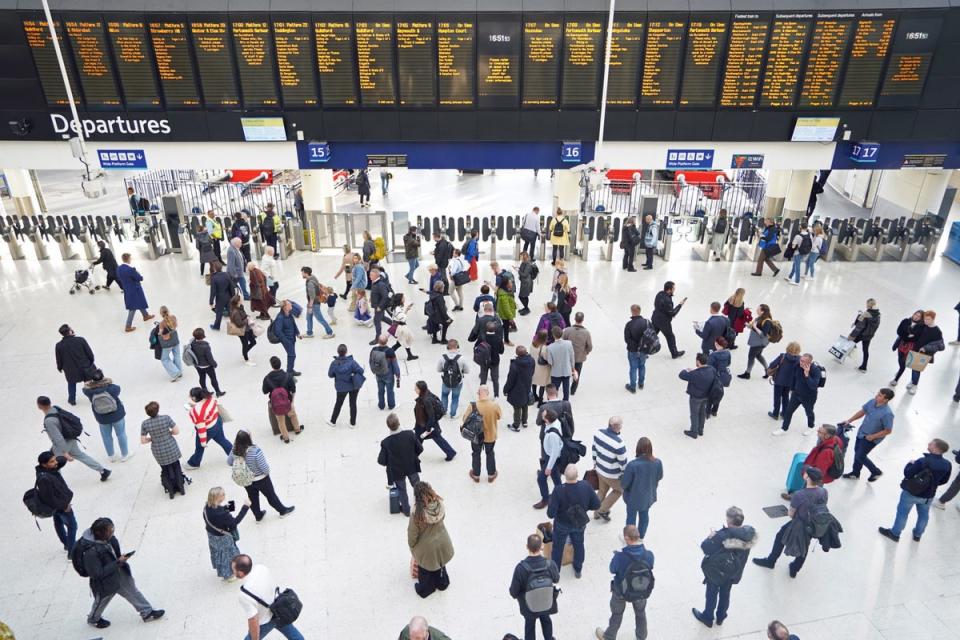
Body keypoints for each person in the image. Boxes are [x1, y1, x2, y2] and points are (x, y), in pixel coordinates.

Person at [80, 517, 164, 629]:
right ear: (99, 533)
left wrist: (119, 561)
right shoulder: (90, 553)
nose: (112, 532)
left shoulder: (108, 539)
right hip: (106, 582)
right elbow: (97, 574)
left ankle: (147, 612)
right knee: (102, 600)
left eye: (112, 529)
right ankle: (93, 619)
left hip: (118, 571)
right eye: (109, 531)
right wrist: (117, 562)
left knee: (132, 590)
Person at [752, 467, 826, 577]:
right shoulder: (823, 491)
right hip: (813, 524)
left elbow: (791, 514)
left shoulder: (799, 495)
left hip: (798, 523)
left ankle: (771, 561)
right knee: (804, 545)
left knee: (780, 537)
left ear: (807, 478)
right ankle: (795, 568)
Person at [692, 506, 757, 628]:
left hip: (718, 571)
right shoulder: (748, 533)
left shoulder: (723, 535)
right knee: (725, 593)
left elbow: (705, 547)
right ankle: (721, 617)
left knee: (712, 592)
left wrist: (711, 536)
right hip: (734, 571)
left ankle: (708, 617)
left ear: (728, 520)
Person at [878, 438, 952, 543]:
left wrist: (910, 464)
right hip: (928, 496)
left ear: (936, 449)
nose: (928, 444)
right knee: (923, 515)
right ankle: (917, 535)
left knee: (902, 514)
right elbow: (944, 480)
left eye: (931, 444)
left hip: (911, 493)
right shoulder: (947, 464)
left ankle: (895, 534)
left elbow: (908, 473)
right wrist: (932, 484)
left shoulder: (922, 461)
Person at [595, 525, 654, 640]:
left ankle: (609, 637)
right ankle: (641, 637)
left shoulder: (620, 557)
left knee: (617, 614)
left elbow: (612, 569)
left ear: (627, 538)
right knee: (641, 613)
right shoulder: (649, 554)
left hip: (620, 591)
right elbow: (650, 566)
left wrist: (616, 556)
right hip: (641, 590)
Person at [231, 555, 304, 640]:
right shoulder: (261, 568)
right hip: (280, 609)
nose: (232, 572)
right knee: (293, 634)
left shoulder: (244, 594)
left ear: (240, 573)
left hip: (267, 620)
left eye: (233, 570)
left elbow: (253, 620)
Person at [38, 396, 110, 481]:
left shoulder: (49, 421)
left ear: (39, 406)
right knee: (81, 456)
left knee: (53, 463)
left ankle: (59, 485)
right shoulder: (56, 408)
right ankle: (103, 471)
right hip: (71, 438)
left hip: (62, 445)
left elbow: (58, 437)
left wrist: (65, 452)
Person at [547, 465, 601, 578]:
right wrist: (584, 508)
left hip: (561, 524)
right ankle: (578, 569)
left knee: (557, 547)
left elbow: (550, 514)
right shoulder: (586, 486)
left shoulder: (558, 490)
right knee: (579, 545)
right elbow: (597, 504)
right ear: (577, 475)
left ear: (564, 476)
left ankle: (555, 572)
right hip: (579, 522)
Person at [228, 430, 295, 521]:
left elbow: (229, 462)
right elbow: (265, 469)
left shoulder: (234, 450)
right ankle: (283, 511)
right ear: (248, 439)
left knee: (253, 498)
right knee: (271, 496)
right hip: (261, 479)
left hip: (247, 480)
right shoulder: (256, 451)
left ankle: (258, 516)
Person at [509, 533, 560, 640]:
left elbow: (513, 592)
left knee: (529, 625)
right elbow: (556, 579)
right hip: (546, 603)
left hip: (529, 606)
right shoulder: (550, 564)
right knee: (546, 620)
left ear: (527, 547)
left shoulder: (520, 569)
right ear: (541, 547)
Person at [408, 482, 455, 598]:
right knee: (440, 563)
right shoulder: (439, 504)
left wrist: (413, 547)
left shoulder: (417, 513)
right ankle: (442, 583)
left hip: (427, 549)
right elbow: (443, 518)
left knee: (425, 568)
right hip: (443, 542)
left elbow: (412, 534)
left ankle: (426, 589)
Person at [841, 388, 895, 482]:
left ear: (886, 400)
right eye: (878, 393)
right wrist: (849, 420)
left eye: (880, 395)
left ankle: (876, 471)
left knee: (860, 456)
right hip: (862, 433)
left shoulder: (887, 414)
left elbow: (888, 430)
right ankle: (855, 473)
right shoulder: (872, 402)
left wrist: (873, 437)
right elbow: (862, 412)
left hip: (871, 438)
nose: (876, 395)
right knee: (857, 452)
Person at [379, 413, 423, 516]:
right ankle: (422, 507)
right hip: (412, 466)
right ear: (399, 423)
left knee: (402, 490)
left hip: (397, 471)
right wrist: (412, 456)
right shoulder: (410, 434)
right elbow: (420, 448)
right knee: (417, 486)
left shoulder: (386, 442)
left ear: (388, 426)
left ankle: (406, 510)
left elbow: (381, 461)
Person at [782, 424, 842, 500]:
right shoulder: (835, 440)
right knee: (809, 489)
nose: (817, 431)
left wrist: (809, 476)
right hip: (820, 471)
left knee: (809, 490)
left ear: (827, 436)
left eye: (820, 431)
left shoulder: (826, 453)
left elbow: (819, 473)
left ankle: (798, 501)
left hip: (817, 475)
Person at [81, 369, 129, 462]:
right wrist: (108, 381)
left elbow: (84, 388)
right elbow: (118, 388)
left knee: (106, 436)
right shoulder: (111, 388)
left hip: (102, 417)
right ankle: (125, 454)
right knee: (121, 434)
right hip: (117, 415)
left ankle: (111, 456)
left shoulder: (89, 391)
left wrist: (89, 383)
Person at [35, 451, 77, 554]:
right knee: (72, 526)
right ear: (44, 464)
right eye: (52, 461)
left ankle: (67, 544)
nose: (56, 463)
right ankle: (72, 552)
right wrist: (64, 506)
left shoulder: (50, 469)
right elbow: (49, 498)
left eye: (55, 460)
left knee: (58, 523)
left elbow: (62, 461)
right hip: (61, 505)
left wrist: (60, 458)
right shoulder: (44, 478)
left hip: (58, 505)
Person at [140, 402, 184, 498]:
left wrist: (152, 438)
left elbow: (143, 440)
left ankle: (171, 491)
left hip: (158, 450)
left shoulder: (145, 423)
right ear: (158, 409)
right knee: (177, 466)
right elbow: (176, 431)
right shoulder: (166, 418)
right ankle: (181, 488)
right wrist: (168, 433)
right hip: (171, 446)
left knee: (165, 469)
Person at [204, 486, 249, 581]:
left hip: (212, 536)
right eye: (223, 494)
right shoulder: (221, 514)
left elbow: (216, 516)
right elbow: (234, 522)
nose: (225, 495)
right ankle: (229, 575)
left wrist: (228, 507)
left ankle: (223, 571)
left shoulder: (206, 507)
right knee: (229, 556)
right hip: (222, 538)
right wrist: (245, 507)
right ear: (217, 497)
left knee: (219, 554)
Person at [621, 437, 663, 536]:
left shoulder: (632, 465)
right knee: (644, 516)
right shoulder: (658, 462)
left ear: (638, 448)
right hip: (648, 496)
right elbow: (660, 476)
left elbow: (624, 484)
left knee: (631, 517)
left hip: (632, 498)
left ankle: (630, 537)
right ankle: (641, 536)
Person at [185, 387, 233, 469]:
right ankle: (235, 457)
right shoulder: (209, 397)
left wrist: (203, 442)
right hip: (217, 421)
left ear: (194, 398)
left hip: (208, 429)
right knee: (222, 440)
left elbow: (201, 428)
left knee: (199, 447)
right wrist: (196, 405)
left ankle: (194, 463)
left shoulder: (196, 411)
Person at [775, 353, 821, 436]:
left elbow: (813, 385)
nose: (801, 362)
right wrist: (792, 389)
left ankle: (811, 426)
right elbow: (794, 378)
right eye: (801, 360)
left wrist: (807, 375)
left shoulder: (815, 370)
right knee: (788, 411)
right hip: (796, 394)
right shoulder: (798, 366)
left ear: (809, 363)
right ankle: (784, 428)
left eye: (803, 361)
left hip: (809, 397)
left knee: (809, 412)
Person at [592, 417, 628, 522]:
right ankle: (602, 510)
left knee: (602, 491)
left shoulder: (598, 433)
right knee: (619, 490)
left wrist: (595, 463)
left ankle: (595, 513)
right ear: (619, 427)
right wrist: (624, 475)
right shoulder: (619, 444)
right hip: (612, 474)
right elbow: (623, 463)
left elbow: (594, 449)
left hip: (599, 469)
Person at [261, 356, 303, 443]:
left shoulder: (267, 378)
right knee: (293, 415)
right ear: (280, 364)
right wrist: (292, 402)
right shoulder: (287, 375)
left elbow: (264, 391)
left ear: (272, 366)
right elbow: (293, 389)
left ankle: (286, 438)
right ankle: (297, 429)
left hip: (276, 404)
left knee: (281, 421)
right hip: (288, 401)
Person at [904, 310, 945, 394]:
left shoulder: (937, 331)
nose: (926, 321)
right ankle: (912, 381)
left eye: (928, 319)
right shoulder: (923, 325)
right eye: (925, 319)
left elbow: (941, 346)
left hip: (924, 354)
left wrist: (926, 348)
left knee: (916, 369)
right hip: (916, 349)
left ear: (933, 319)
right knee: (913, 367)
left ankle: (915, 385)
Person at [414, 380, 457, 460]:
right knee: (419, 438)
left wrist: (428, 428)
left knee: (437, 438)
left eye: (416, 388)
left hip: (427, 425)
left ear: (421, 389)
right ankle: (414, 453)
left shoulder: (426, 400)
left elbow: (431, 416)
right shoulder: (426, 394)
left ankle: (450, 452)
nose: (414, 389)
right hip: (422, 423)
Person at [679, 353, 719, 439]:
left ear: (698, 361)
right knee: (702, 413)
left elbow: (681, 375)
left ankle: (694, 432)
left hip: (696, 397)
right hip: (706, 396)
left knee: (694, 414)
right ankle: (700, 430)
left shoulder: (695, 374)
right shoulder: (712, 369)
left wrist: (686, 369)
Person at [466, 385, 502, 482]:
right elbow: (499, 416)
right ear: (488, 393)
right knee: (490, 453)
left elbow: (464, 419)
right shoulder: (494, 405)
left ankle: (476, 475)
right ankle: (491, 475)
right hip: (490, 435)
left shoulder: (472, 406)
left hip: (476, 436)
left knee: (476, 453)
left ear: (478, 393)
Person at [55, 324, 95, 406]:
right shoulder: (80, 340)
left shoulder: (59, 345)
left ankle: (72, 400)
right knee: (88, 383)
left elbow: (59, 359)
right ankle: (92, 398)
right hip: (84, 367)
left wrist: (59, 367)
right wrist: (91, 362)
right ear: (70, 331)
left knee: (71, 383)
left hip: (70, 370)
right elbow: (89, 353)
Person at [327, 343, 365, 428]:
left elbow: (330, 375)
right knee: (353, 403)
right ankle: (352, 423)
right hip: (353, 386)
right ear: (346, 352)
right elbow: (361, 371)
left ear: (338, 352)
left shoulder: (334, 363)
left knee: (338, 403)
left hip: (341, 387)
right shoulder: (352, 362)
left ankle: (333, 421)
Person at [533, 409, 563, 509]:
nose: (542, 414)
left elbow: (555, 453)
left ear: (547, 420)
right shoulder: (555, 422)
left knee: (541, 478)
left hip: (551, 458)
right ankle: (561, 494)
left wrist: (549, 467)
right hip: (549, 456)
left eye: (544, 415)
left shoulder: (553, 435)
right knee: (556, 477)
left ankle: (545, 499)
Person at [116, 253, 154, 332]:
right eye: (130, 258)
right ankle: (128, 326)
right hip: (135, 289)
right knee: (132, 308)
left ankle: (145, 315)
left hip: (127, 289)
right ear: (128, 259)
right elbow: (139, 278)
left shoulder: (119, 268)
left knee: (138, 302)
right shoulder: (131, 270)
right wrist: (138, 274)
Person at [738, 303, 775, 379]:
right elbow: (753, 328)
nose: (756, 310)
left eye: (758, 309)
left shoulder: (767, 321)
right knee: (758, 355)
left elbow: (763, 335)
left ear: (762, 311)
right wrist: (746, 324)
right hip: (757, 341)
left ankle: (747, 373)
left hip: (759, 343)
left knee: (751, 356)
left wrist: (754, 326)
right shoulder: (759, 318)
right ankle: (768, 370)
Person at [766, 341, 801, 421]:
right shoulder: (799, 359)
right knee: (786, 397)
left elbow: (772, 364)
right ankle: (784, 413)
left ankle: (775, 413)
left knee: (777, 397)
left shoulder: (783, 356)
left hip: (779, 381)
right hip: (790, 383)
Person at [505, 345, 536, 432]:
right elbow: (532, 372)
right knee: (525, 404)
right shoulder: (532, 360)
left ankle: (516, 425)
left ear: (517, 354)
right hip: (527, 386)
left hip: (516, 390)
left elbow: (510, 380)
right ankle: (525, 422)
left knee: (517, 407)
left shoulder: (514, 365)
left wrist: (505, 390)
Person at [651, 281, 686, 359]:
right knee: (670, 337)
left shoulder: (659, 293)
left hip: (655, 317)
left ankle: (643, 350)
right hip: (663, 322)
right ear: (669, 289)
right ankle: (674, 353)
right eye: (673, 288)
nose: (674, 290)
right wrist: (680, 305)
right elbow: (673, 313)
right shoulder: (667, 300)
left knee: (652, 335)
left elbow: (657, 305)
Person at [891, 309, 924, 386]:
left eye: (919, 316)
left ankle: (896, 379)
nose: (916, 317)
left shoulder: (921, 327)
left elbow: (916, 337)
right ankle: (900, 370)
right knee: (900, 360)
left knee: (903, 364)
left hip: (910, 347)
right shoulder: (906, 321)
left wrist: (906, 335)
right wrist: (908, 336)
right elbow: (899, 331)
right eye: (916, 314)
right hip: (901, 344)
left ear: (921, 318)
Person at [562, 312, 593, 395]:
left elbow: (562, 342)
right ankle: (572, 390)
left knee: (566, 373)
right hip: (579, 358)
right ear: (583, 320)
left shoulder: (567, 330)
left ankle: (565, 388)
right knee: (576, 374)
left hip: (568, 357)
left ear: (574, 319)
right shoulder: (586, 333)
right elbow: (590, 347)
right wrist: (585, 352)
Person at [188, 328, 225, 396]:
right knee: (213, 378)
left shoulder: (192, 343)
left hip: (198, 366)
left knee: (202, 378)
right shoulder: (206, 346)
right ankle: (218, 392)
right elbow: (210, 358)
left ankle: (205, 393)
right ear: (203, 336)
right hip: (207, 366)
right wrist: (214, 364)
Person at [300, 266, 335, 339]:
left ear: (306, 273)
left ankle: (330, 332)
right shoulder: (313, 276)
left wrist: (310, 306)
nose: (301, 274)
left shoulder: (309, 283)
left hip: (314, 304)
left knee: (320, 319)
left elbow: (312, 296)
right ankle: (309, 333)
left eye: (302, 273)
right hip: (314, 302)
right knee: (308, 317)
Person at [623, 305, 651, 393]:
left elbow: (627, 339)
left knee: (633, 368)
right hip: (644, 350)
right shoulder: (647, 322)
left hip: (633, 350)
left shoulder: (629, 324)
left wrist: (634, 346)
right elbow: (652, 335)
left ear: (632, 311)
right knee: (642, 366)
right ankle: (641, 383)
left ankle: (632, 386)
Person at [848, 299, 881, 372]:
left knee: (850, 343)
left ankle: (844, 356)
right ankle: (864, 367)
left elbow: (859, 326)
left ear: (869, 305)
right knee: (865, 350)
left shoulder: (866, 314)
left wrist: (851, 335)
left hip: (862, 334)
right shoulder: (878, 315)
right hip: (869, 335)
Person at [370, 335, 401, 411]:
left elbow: (370, 361)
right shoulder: (390, 351)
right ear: (387, 341)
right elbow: (395, 364)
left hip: (378, 374)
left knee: (380, 390)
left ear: (378, 341)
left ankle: (381, 405)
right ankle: (391, 405)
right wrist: (398, 374)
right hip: (388, 375)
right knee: (390, 391)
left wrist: (374, 371)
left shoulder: (374, 349)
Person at [477, 320, 506, 398]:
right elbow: (501, 351)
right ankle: (496, 395)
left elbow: (477, 347)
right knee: (495, 380)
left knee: (483, 380)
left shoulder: (482, 337)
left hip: (484, 361)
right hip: (495, 361)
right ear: (495, 329)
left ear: (486, 329)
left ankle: (482, 395)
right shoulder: (498, 339)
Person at [385, 293, 419, 360]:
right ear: (400, 300)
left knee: (400, 342)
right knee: (402, 341)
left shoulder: (397, 307)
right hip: (400, 328)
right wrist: (406, 310)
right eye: (403, 298)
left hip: (398, 327)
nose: (404, 299)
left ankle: (409, 355)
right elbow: (403, 318)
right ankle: (388, 354)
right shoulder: (397, 309)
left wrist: (406, 310)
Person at [545, 326, 576, 401]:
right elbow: (572, 358)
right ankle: (565, 403)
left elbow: (550, 362)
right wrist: (573, 368)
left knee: (554, 389)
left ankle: (554, 402)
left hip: (555, 372)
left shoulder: (549, 347)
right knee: (566, 389)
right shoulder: (569, 344)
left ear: (553, 335)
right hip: (566, 370)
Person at [227, 295, 258, 366]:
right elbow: (239, 324)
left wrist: (247, 316)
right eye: (241, 298)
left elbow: (244, 315)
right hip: (242, 331)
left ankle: (244, 353)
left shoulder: (240, 307)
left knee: (253, 342)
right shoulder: (235, 312)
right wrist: (246, 319)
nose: (243, 299)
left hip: (247, 328)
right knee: (245, 344)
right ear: (238, 301)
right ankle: (246, 359)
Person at [274, 300, 302, 376]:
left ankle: (290, 370)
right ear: (285, 307)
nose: (291, 306)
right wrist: (285, 341)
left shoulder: (289, 314)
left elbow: (294, 324)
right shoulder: (280, 317)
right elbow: (278, 331)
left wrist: (298, 333)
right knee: (292, 355)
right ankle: (289, 373)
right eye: (289, 305)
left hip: (292, 338)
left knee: (291, 355)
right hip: (287, 340)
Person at [706, 337, 732, 417]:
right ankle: (714, 411)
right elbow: (728, 363)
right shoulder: (728, 353)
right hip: (723, 376)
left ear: (716, 344)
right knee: (718, 394)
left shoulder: (713, 355)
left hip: (714, 377)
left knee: (710, 395)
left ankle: (707, 412)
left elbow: (709, 367)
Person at [157, 306, 183, 381]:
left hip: (167, 344)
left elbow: (161, 334)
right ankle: (180, 372)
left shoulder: (161, 323)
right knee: (177, 355)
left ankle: (175, 373)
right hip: (175, 340)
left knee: (164, 358)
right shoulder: (173, 317)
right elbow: (174, 326)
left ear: (161, 313)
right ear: (168, 311)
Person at [208, 260, 235, 331]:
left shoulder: (214, 278)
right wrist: (233, 296)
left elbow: (213, 291)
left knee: (219, 313)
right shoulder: (226, 274)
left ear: (214, 268)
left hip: (220, 298)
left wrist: (211, 302)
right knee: (231, 311)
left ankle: (216, 327)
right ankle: (235, 325)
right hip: (228, 296)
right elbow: (232, 286)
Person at [370, 268, 392, 343]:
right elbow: (375, 292)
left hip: (379, 306)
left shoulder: (380, 284)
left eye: (371, 275)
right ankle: (396, 326)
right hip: (377, 305)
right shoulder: (374, 282)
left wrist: (380, 307)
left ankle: (378, 338)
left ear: (376, 275)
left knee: (376, 321)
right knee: (382, 317)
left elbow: (385, 296)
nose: (370, 276)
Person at [531, 329, 553, 405]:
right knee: (542, 384)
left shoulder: (533, 344)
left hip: (533, 367)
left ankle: (534, 396)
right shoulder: (544, 348)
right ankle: (540, 402)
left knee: (534, 382)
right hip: (542, 369)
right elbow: (547, 359)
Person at [517, 251, 536, 316]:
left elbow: (525, 274)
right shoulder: (523, 263)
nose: (520, 257)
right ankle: (525, 308)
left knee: (522, 296)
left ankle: (526, 308)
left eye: (521, 256)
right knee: (523, 296)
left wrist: (518, 271)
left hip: (527, 283)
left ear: (524, 257)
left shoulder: (528, 264)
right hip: (524, 282)